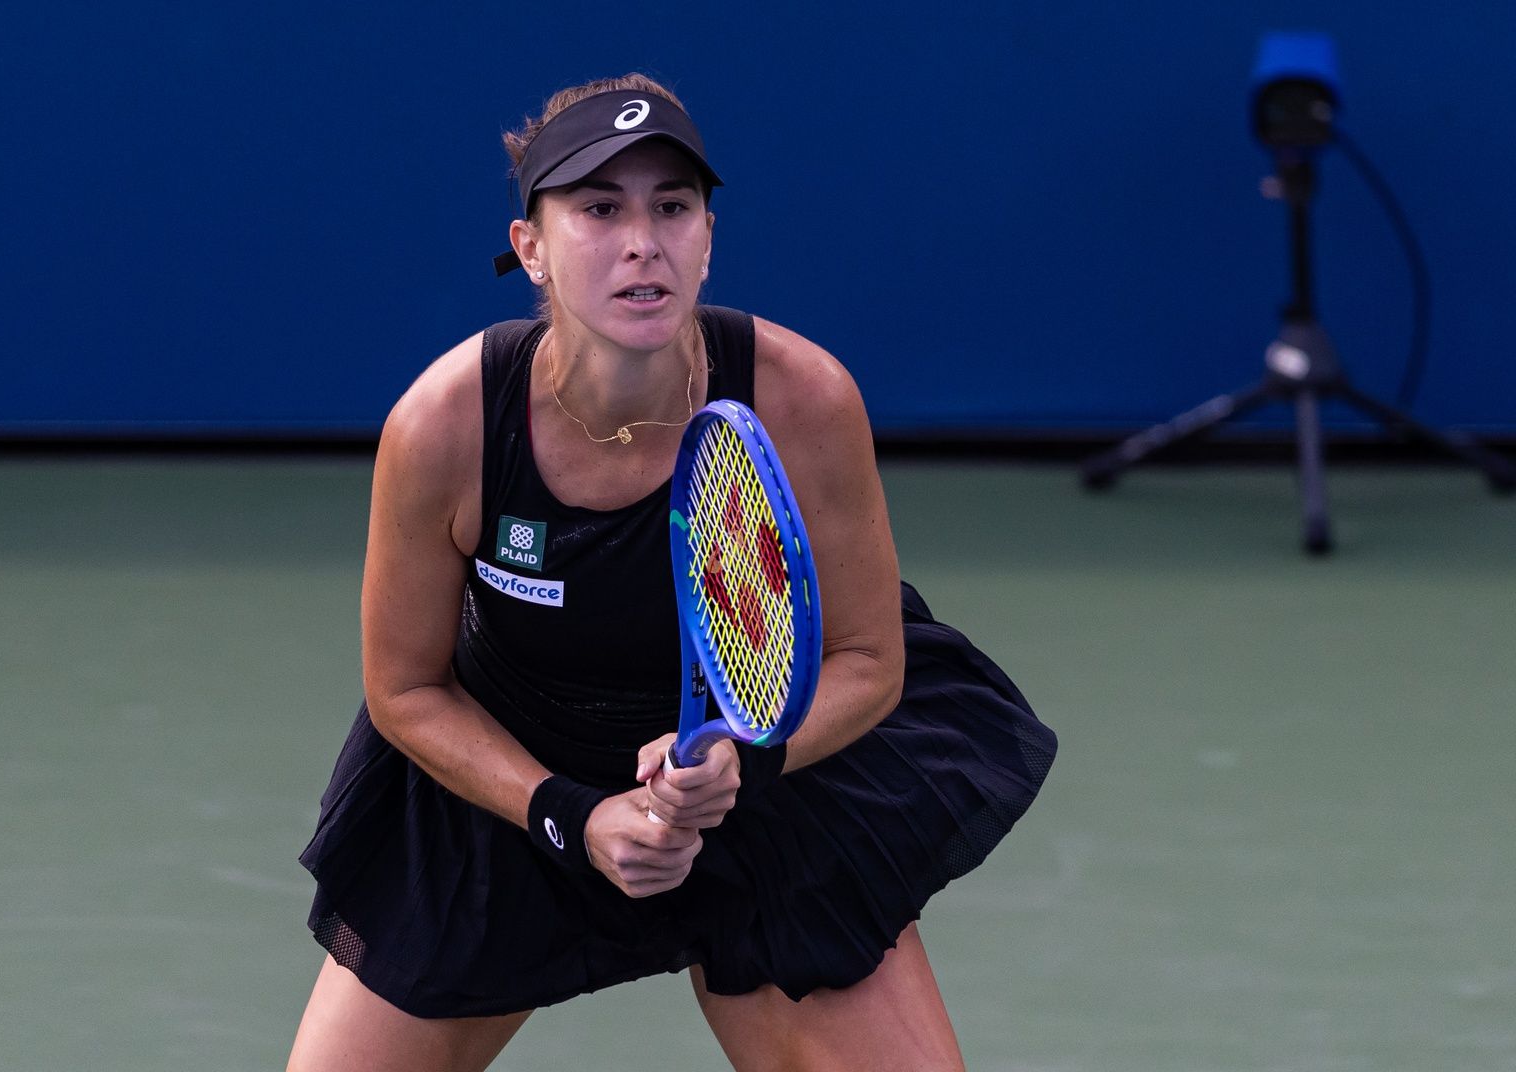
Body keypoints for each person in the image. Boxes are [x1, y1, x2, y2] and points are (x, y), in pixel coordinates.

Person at [287, 74, 1057, 1072]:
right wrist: (570, 815)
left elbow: (869, 658)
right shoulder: (444, 427)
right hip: (516, 783)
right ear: (530, 246)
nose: (642, 241)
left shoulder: (805, 399)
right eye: (600, 209)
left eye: (673, 207)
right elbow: (404, 688)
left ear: (707, 238)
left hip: (762, 784)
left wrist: (747, 757)